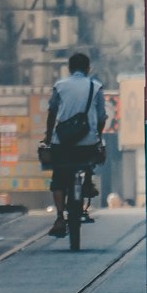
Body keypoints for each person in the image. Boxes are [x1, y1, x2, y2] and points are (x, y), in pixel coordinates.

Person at [42, 52, 107, 236]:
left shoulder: (60, 86)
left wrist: (48, 138)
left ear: (69, 69)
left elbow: (52, 113)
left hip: (61, 142)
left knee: (58, 179)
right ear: (88, 69)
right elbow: (101, 117)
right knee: (90, 160)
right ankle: (88, 181)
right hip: (87, 144)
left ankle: (60, 216)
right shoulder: (96, 87)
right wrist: (98, 137)